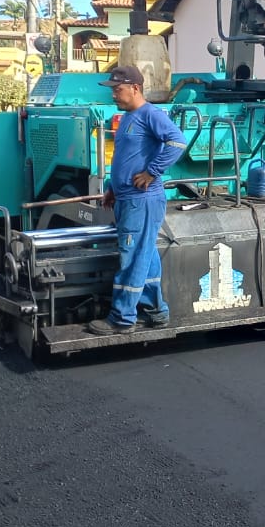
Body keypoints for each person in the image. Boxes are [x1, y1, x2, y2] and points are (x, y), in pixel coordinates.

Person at [87, 64, 187, 335]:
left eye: (118, 90)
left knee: (131, 257)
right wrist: (112, 187)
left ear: (135, 88)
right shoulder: (129, 117)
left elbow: (177, 142)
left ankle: (121, 318)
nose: (114, 96)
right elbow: (124, 159)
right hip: (127, 199)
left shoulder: (149, 114)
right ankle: (156, 312)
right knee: (146, 256)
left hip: (141, 201)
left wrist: (152, 172)